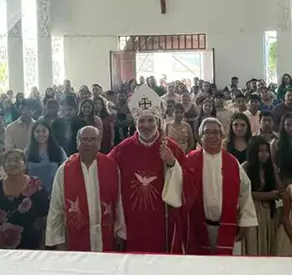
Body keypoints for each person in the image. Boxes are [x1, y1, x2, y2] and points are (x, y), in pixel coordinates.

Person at [109, 85, 187, 253]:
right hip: (132, 218)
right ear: (135, 123)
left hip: (162, 218)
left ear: (158, 122)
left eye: (151, 120)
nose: (146, 125)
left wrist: (172, 163)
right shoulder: (122, 150)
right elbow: (106, 174)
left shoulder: (171, 148)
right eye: (141, 121)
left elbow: (189, 182)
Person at [167, 118, 257, 255]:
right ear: (200, 136)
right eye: (207, 132)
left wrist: (244, 222)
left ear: (222, 136)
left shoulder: (232, 162)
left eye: (216, 132)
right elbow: (179, 185)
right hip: (197, 226)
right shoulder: (190, 160)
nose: (212, 136)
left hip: (227, 225)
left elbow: (245, 191)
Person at [46, 127, 126, 252]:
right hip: (76, 239)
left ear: (99, 142)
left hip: (105, 236)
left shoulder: (111, 166)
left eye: (93, 139)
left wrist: (120, 232)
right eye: (84, 139)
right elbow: (56, 206)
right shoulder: (65, 170)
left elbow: (118, 202)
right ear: (77, 142)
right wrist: (57, 240)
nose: (88, 143)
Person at [0, 149, 49, 249]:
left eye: (17, 160)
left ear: (24, 164)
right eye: (8, 160)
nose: (13, 163)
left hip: (30, 245)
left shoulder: (35, 184)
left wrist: (44, 243)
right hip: (0, 246)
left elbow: (45, 214)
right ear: (3, 166)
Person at [241, 136, 281, 256]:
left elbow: (279, 187)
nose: (265, 154)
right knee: (254, 245)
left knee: (267, 244)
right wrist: (268, 195)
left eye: (266, 151)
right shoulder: (245, 167)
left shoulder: (270, 166)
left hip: (268, 212)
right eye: (261, 151)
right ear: (253, 152)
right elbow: (245, 194)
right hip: (252, 211)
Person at [25, 119, 67, 195]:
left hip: (55, 193)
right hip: (33, 195)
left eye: (44, 131)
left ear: (49, 132)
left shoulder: (58, 151)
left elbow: (66, 171)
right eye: (37, 131)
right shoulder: (27, 152)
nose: (41, 134)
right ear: (33, 133)